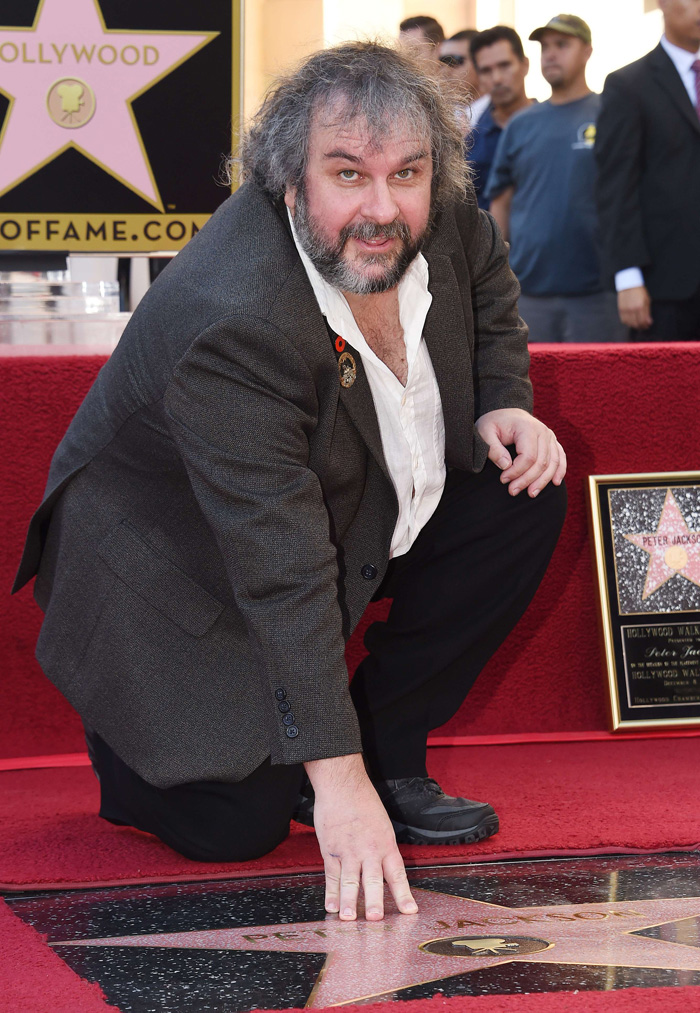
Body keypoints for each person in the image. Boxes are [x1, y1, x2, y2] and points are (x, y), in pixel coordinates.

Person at [13, 42, 567, 923]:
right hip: (171, 565)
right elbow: (278, 560)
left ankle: (384, 743)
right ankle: (139, 745)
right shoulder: (233, 317)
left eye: (407, 174)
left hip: (343, 498)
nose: (382, 208)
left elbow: (491, 293)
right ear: (288, 178)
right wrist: (334, 786)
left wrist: (503, 401)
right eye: (348, 174)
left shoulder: (446, 208)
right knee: (235, 823)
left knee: (522, 491)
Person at [486, 15, 624, 343]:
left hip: (598, 294)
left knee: (599, 392)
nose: (550, 54)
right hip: (530, 295)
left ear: (587, 51)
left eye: (562, 45)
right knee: (534, 393)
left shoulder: (610, 113)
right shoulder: (521, 125)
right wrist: (497, 277)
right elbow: (500, 204)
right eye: (545, 46)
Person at [595, 0, 700, 341]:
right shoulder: (629, 85)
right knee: (669, 393)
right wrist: (628, 277)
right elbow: (615, 187)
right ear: (663, 3)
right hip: (666, 287)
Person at [467, 26, 534, 209]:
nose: (496, 78)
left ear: (525, 65)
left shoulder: (551, 126)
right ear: (479, 77)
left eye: (504, 66)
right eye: (486, 70)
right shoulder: (470, 144)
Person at [438, 29, 490, 128]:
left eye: (456, 60)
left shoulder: (502, 114)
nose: (445, 71)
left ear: (481, 64)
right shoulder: (439, 120)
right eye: (442, 62)